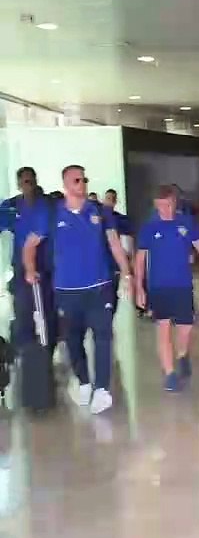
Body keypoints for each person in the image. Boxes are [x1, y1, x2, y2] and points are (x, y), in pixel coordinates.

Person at [20, 165, 132, 415]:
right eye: (77, 180)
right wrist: (29, 269)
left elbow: (115, 244)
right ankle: (83, 381)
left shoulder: (101, 213)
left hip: (100, 287)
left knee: (103, 336)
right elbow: (30, 244)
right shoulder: (51, 215)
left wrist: (126, 273)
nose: (82, 184)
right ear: (66, 185)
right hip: (66, 290)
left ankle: (102, 389)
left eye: (85, 180)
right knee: (72, 340)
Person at [133, 185, 199, 390]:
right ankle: (170, 374)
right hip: (158, 287)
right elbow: (140, 259)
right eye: (160, 206)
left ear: (174, 203)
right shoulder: (149, 227)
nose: (164, 210)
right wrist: (138, 287)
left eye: (168, 205)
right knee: (163, 329)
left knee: (185, 328)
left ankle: (182, 355)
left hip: (182, 285)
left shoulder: (187, 222)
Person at [0, 167, 54, 352]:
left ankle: (48, 350)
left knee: (48, 312)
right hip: (22, 268)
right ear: (19, 185)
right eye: (25, 182)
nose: (29, 186)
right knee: (23, 312)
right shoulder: (11, 206)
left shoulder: (46, 205)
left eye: (31, 181)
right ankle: (25, 354)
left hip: (46, 266)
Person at [101, 188, 132, 315]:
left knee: (111, 300)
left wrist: (127, 264)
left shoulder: (120, 219)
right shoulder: (97, 217)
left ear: (114, 202)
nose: (107, 202)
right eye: (106, 198)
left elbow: (128, 239)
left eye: (110, 199)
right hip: (99, 265)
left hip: (113, 265)